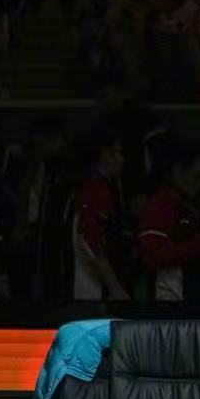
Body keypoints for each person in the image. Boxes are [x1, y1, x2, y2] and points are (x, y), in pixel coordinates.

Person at [136, 145, 200, 302]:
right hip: (173, 299)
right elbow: (152, 256)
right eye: (197, 177)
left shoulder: (196, 203)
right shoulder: (161, 204)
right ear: (178, 171)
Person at [70, 126, 130, 301]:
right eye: (118, 152)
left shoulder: (99, 187)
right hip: (93, 287)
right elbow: (91, 241)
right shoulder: (97, 190)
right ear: (105, 154)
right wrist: (115, 288)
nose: (122, 159)